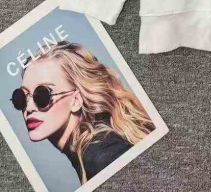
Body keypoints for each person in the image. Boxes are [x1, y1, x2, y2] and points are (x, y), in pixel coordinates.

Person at [10, 40, 155, 184]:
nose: (29, 108)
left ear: (76, 101)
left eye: (42, 95)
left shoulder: (102, 156)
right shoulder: (94, 149)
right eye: (21, 97)